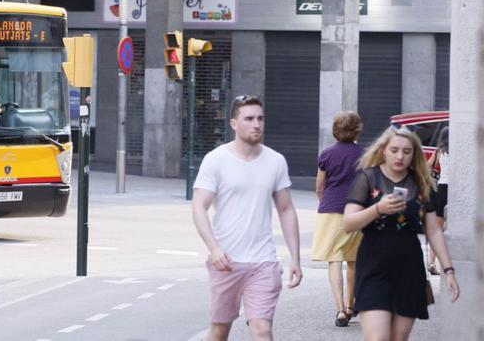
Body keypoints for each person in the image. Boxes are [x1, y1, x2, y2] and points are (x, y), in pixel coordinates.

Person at [192, 95, 302, 341]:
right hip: (226, 261)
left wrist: (295, 258)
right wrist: (214, 248)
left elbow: (286, 209)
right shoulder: (216, 160)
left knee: (262, 330)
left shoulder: (275, 161)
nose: (256, 125)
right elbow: (199, 206)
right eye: (249, 119)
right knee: (220, 331)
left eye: (260, 119)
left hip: (263, 261)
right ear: (233, 123)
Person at [343, 126, 460, 341]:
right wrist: (378, 208)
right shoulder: (368, 178)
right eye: (395, 150)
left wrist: (449, 270)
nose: (400, 156)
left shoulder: (422, 184)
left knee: (399, 338)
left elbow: (433, 230)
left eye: (407, 151)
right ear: (384, 150)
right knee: (377, 337)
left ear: (414, 154)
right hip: (373, 264)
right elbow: (348, 223)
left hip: (409, 266)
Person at [312, 111, 364, 327]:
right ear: (357, 130)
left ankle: (340, 309)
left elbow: (319, 186)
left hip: (331, 209)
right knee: (354, 259)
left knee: (335, 259)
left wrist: (326, 200)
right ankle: (352, 306)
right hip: (357, 210)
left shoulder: (326, 154)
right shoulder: (365, 154)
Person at [426, 127, 450, 275]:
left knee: (437, 229)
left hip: (442, 189)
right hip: (456, 190)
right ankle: (448, 263)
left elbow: (426, 167)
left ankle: (432, 262)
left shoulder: (439, 152)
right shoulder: (461, 151)